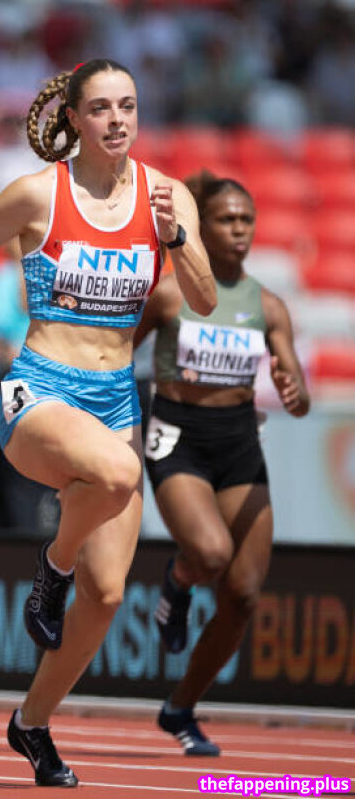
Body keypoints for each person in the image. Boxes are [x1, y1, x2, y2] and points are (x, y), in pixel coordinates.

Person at [0, 59, 216, 786]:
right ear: (73, 118)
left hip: (114, 400)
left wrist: (177, 239)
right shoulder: (38, 194)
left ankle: (31, 723)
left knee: (106, 596)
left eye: (127, 105)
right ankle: (53, 565)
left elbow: (201, 299)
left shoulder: (167, 198)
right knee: (118, 471)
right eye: (100, 107)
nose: (117, 120)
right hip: (38, 393)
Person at [134, 170, 310, 756]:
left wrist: (293, 391)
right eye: (227, 219)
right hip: (178, 437)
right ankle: (178, 581)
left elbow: (300, 397)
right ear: (201, 227)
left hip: (239, 445)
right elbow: (111, 354)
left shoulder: (269, 306)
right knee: (209, 554)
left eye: (246, 220)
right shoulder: (168, 294)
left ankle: (180, 709)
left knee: (243, 594)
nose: (239, 230)